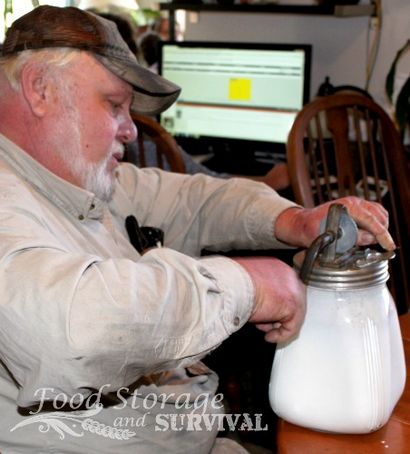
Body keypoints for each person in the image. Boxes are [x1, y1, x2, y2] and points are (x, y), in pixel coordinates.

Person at [0, 6, 394, 454]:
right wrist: (247, 287)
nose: (131, 129)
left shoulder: (75, 181)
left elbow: (197, 199)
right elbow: (69, 330)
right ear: (39, 89)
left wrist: (293, 220)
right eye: (114, 105)